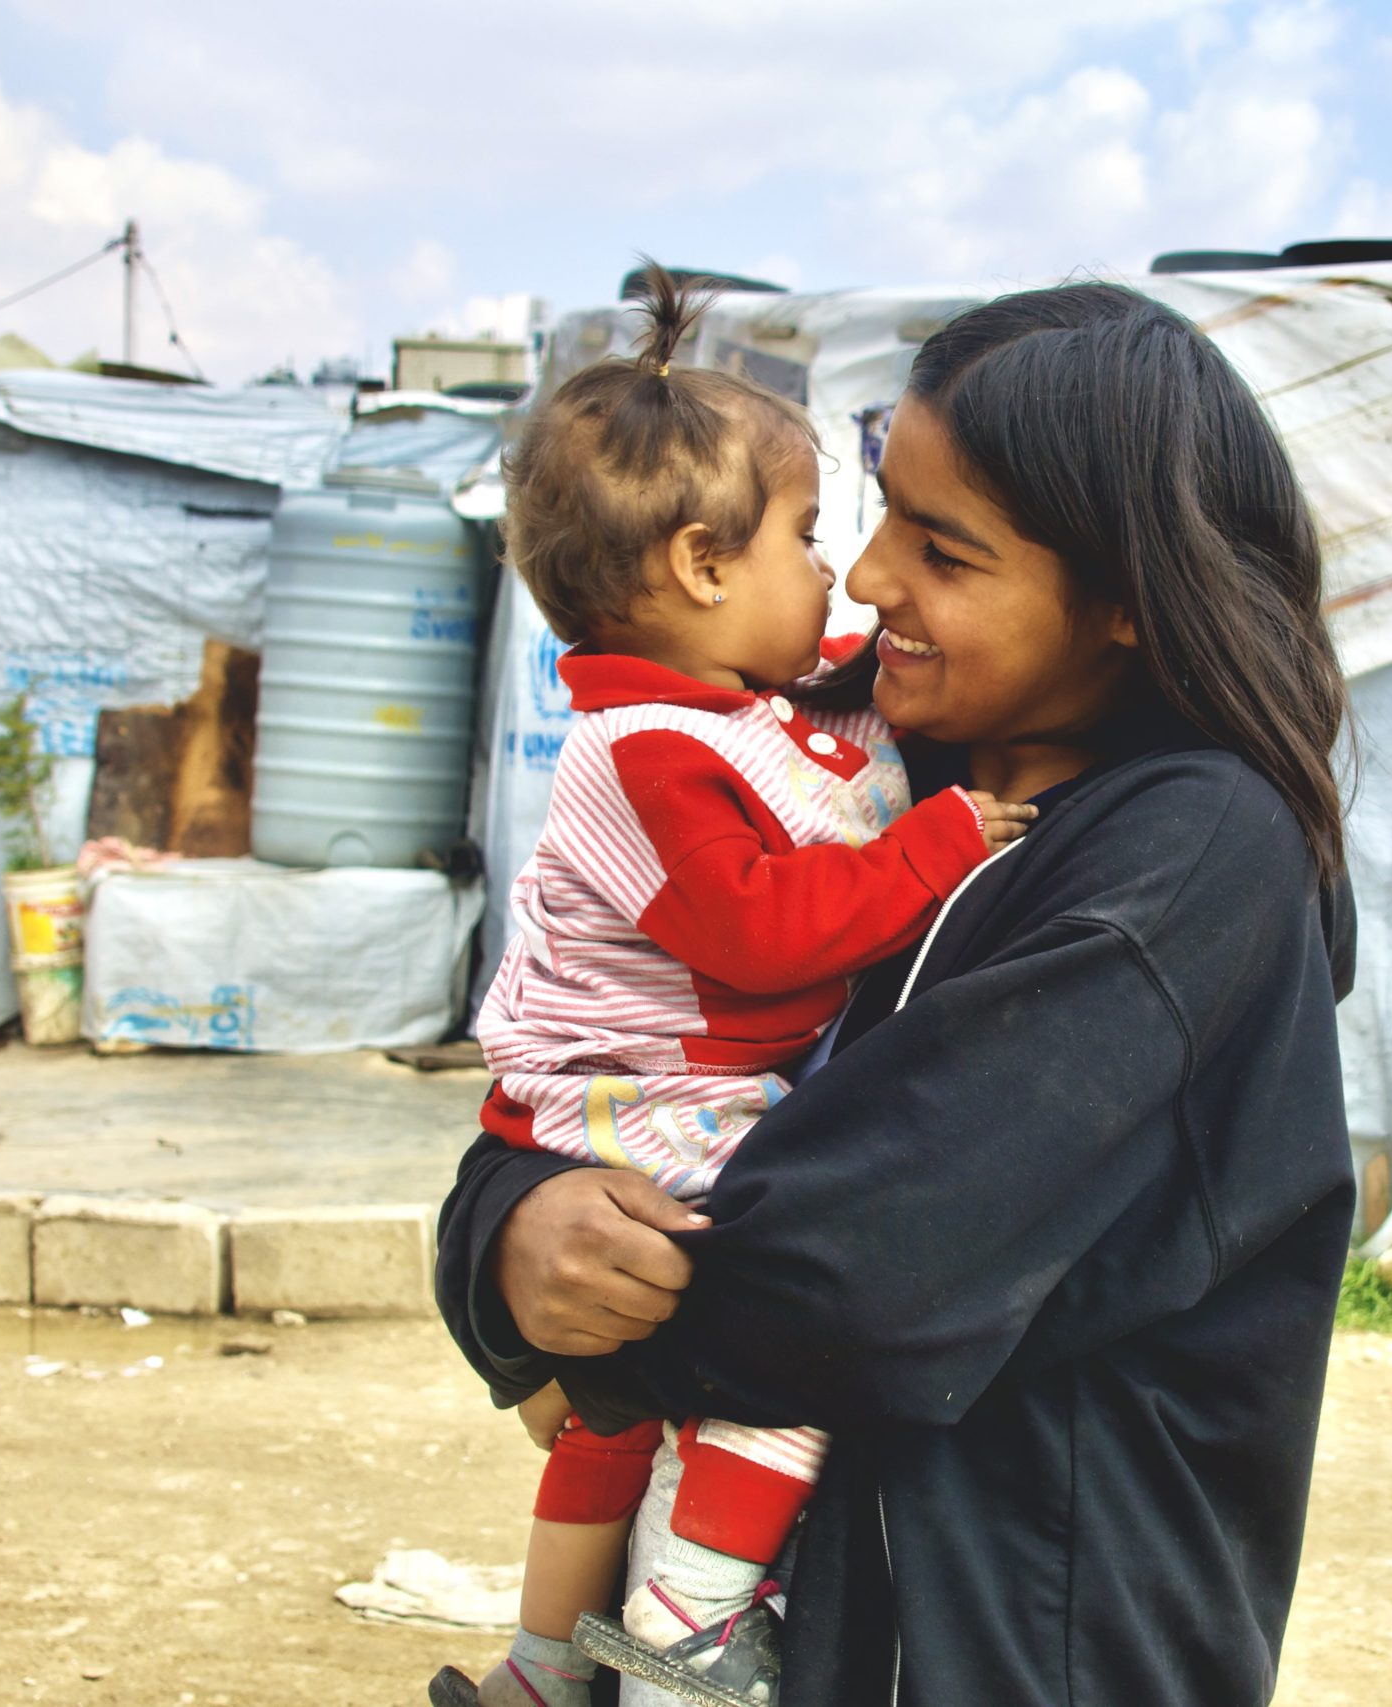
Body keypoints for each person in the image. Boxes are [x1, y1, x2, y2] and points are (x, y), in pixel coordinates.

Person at [439, 279, 1357, 1705]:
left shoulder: (1187, 860)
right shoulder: (861, 780)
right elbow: (632, 1092)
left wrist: (567, 1327)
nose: (866, 581)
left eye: (941, 548)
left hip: (1008, 1652)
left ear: (1122, 597)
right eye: (870, 518)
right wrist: (508, 1233)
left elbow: (850, 1279)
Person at [438, 265, 1035, 1707]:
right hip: (664, 1106)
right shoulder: (647, 754)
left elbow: (835, 680)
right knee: (775, 1372)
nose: (844, 580)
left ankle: (543, 1668)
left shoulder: (725, 704)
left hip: (661, 1098)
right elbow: (763, 933)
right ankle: (687, 1645)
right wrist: (938, 841)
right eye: (811, 539)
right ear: (704, 570)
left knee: (611, 1413)